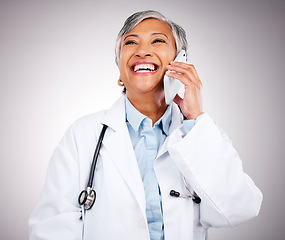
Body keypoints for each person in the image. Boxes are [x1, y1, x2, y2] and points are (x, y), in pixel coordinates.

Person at [29, 10, 263, 240]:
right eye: (130, 43)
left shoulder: (198, 133)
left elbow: (237, 209)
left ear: (180, 61)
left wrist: (195, 120)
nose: (142, 51)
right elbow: (52, 230)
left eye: (158, 40)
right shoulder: (83, 135)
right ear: (120, 69)